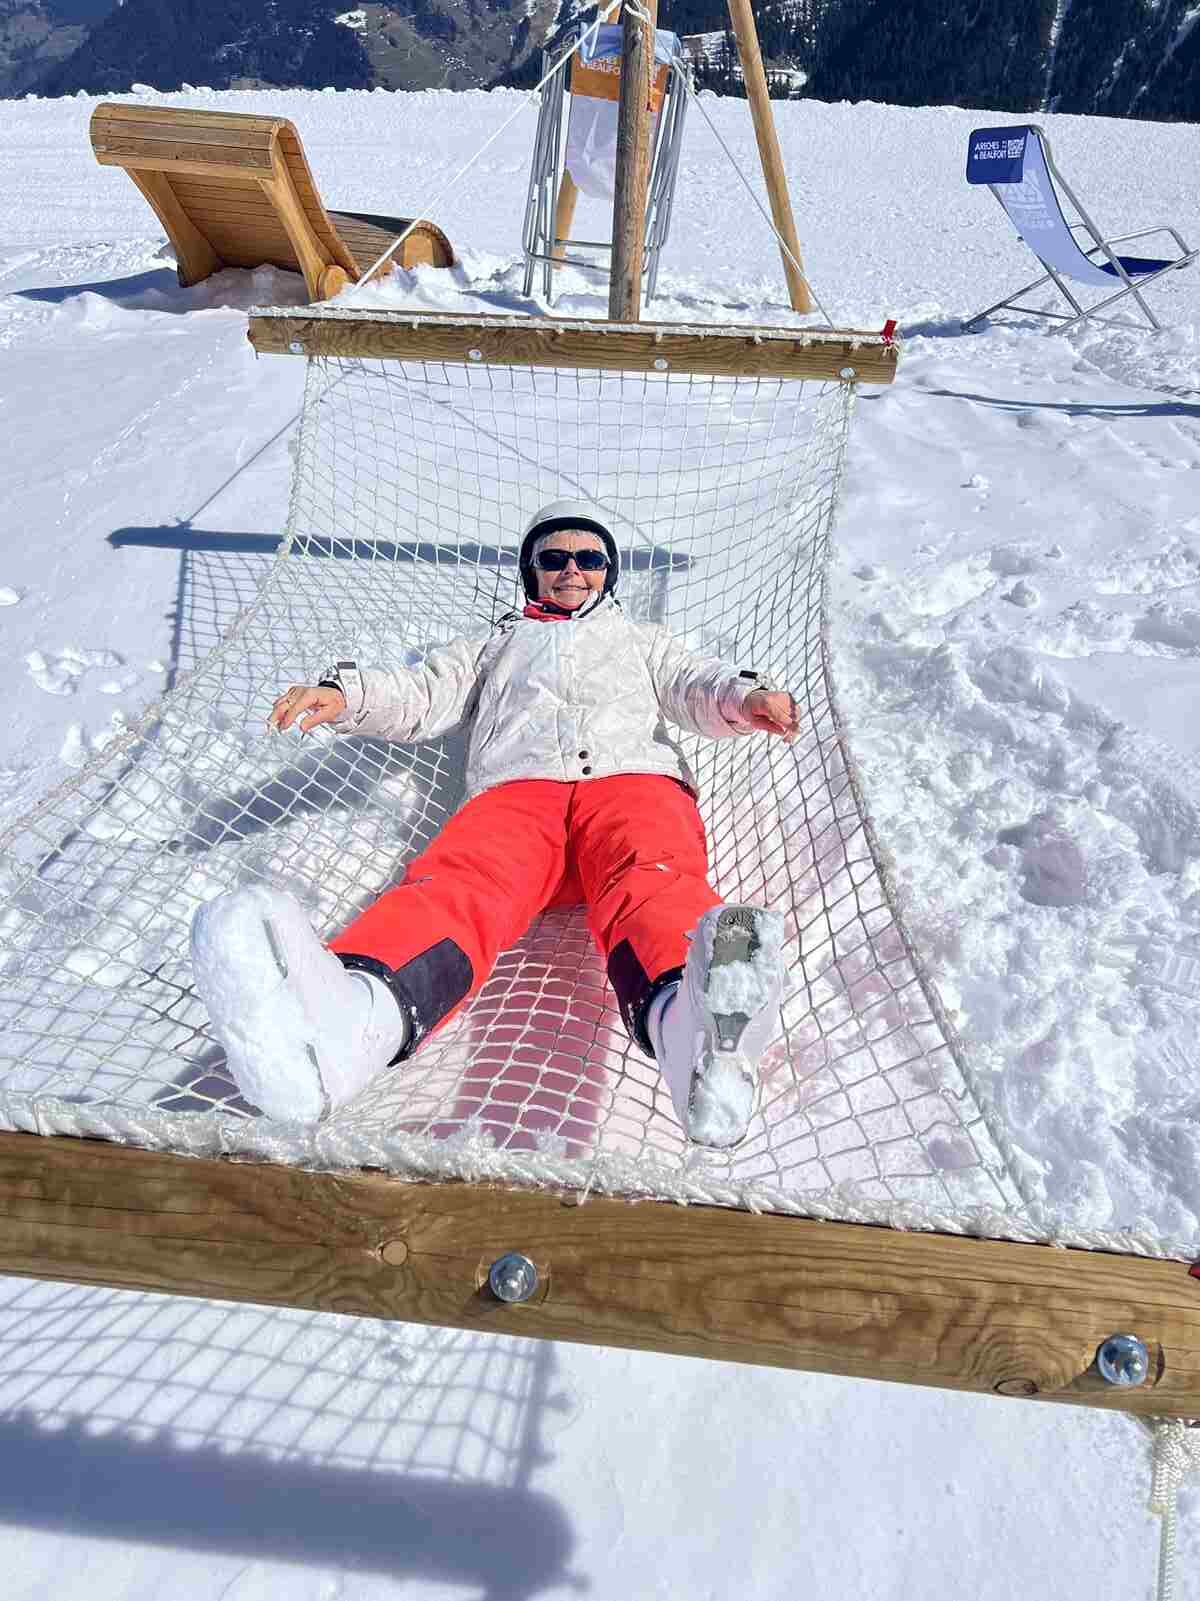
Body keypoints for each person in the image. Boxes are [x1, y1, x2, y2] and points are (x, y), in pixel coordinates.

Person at [190, 500, 799, 1148]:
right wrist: (346, 696)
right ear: (532, 571)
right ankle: (353, 1019)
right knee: (462, 884)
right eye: (554, 558)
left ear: (608, 572)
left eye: (589, 558)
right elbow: (423, 693)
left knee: (652, 876)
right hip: (520, 793)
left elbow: (695, 683)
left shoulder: (641, 641)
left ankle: (693, 1028)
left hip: (630, 783)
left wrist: (747, 697)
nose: (572, 569)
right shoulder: (495, 644)